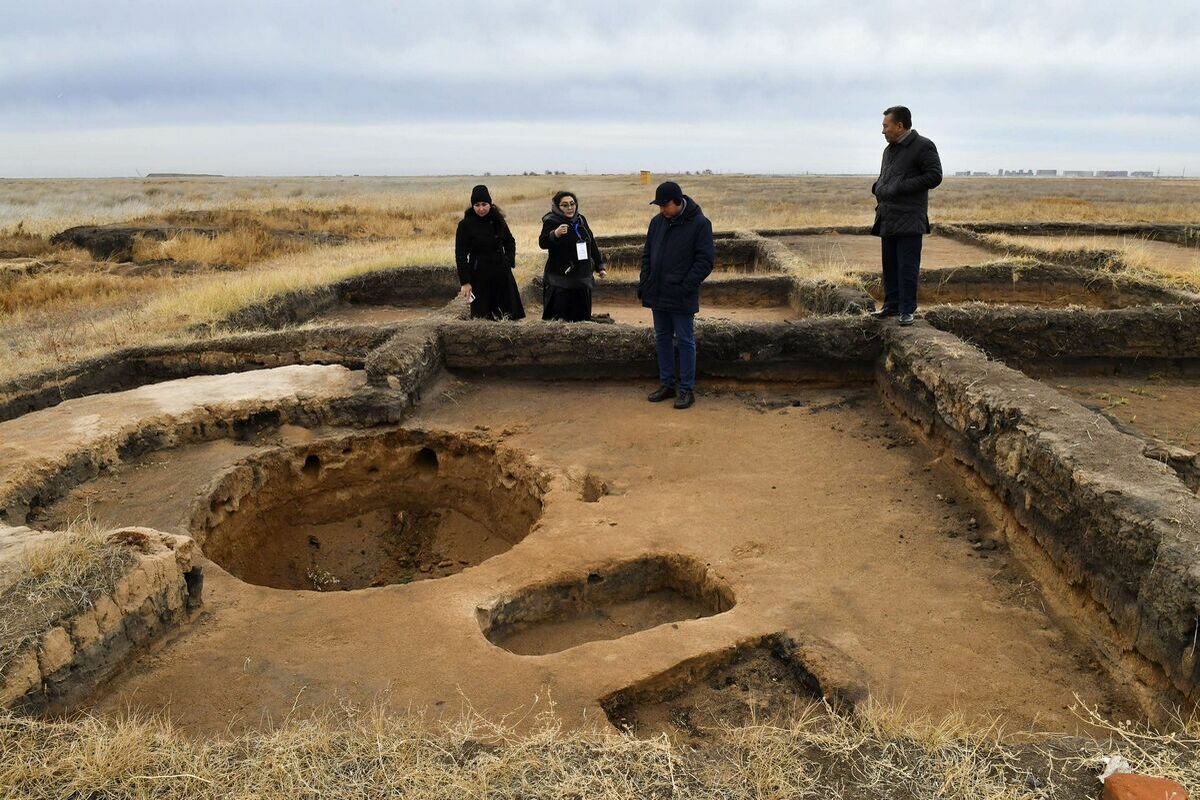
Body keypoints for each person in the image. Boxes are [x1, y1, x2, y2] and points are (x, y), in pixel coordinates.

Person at [638, 181, 714, 410]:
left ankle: (686, 390)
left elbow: (705, 261)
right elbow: (647, 255)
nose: (662, 210)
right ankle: (667, 384)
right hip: (658, 293)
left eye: (665, 205)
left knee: (684, 341)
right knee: (662, 338)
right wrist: (645, 282)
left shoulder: (700, 224)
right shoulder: (657, 222)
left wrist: (685, 287)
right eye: (659, 206)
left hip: (681, 295)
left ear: (678, 201)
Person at [870, 105, 942, 326]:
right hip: (888, 216)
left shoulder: (923, 146)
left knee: (907, 266)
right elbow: (887, 177)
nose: (883, 131)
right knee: (889, 264)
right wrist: (878, 187)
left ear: (899, 126)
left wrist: (899, 187)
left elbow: (934, 176)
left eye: (886, 126)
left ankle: (907, 310)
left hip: (910, 218)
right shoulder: (889, 150)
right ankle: (891, 305)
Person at [455, 184, 525, 320]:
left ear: (490, 203)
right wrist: (465, 282)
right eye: (477, 205)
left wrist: (509, 261)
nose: (481, 209)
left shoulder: (497, 220)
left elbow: (510, 241)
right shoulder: (465, 225)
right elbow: (460, 254)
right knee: (483, 317)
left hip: (502, 273)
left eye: (484, 204)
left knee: (508, 315)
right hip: (479, 274)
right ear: (472, 205)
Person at [538, 191, 606, 321]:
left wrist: (599, 266)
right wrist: (555, 234)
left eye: (572, 204)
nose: (570, 208)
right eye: (564, 205)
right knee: (560, 320)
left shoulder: (581, 220)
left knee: (581, 320)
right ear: (557, 207)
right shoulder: (551, 221)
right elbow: (542, 243)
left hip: (582, 277)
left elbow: (591, 243)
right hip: (560, 279)